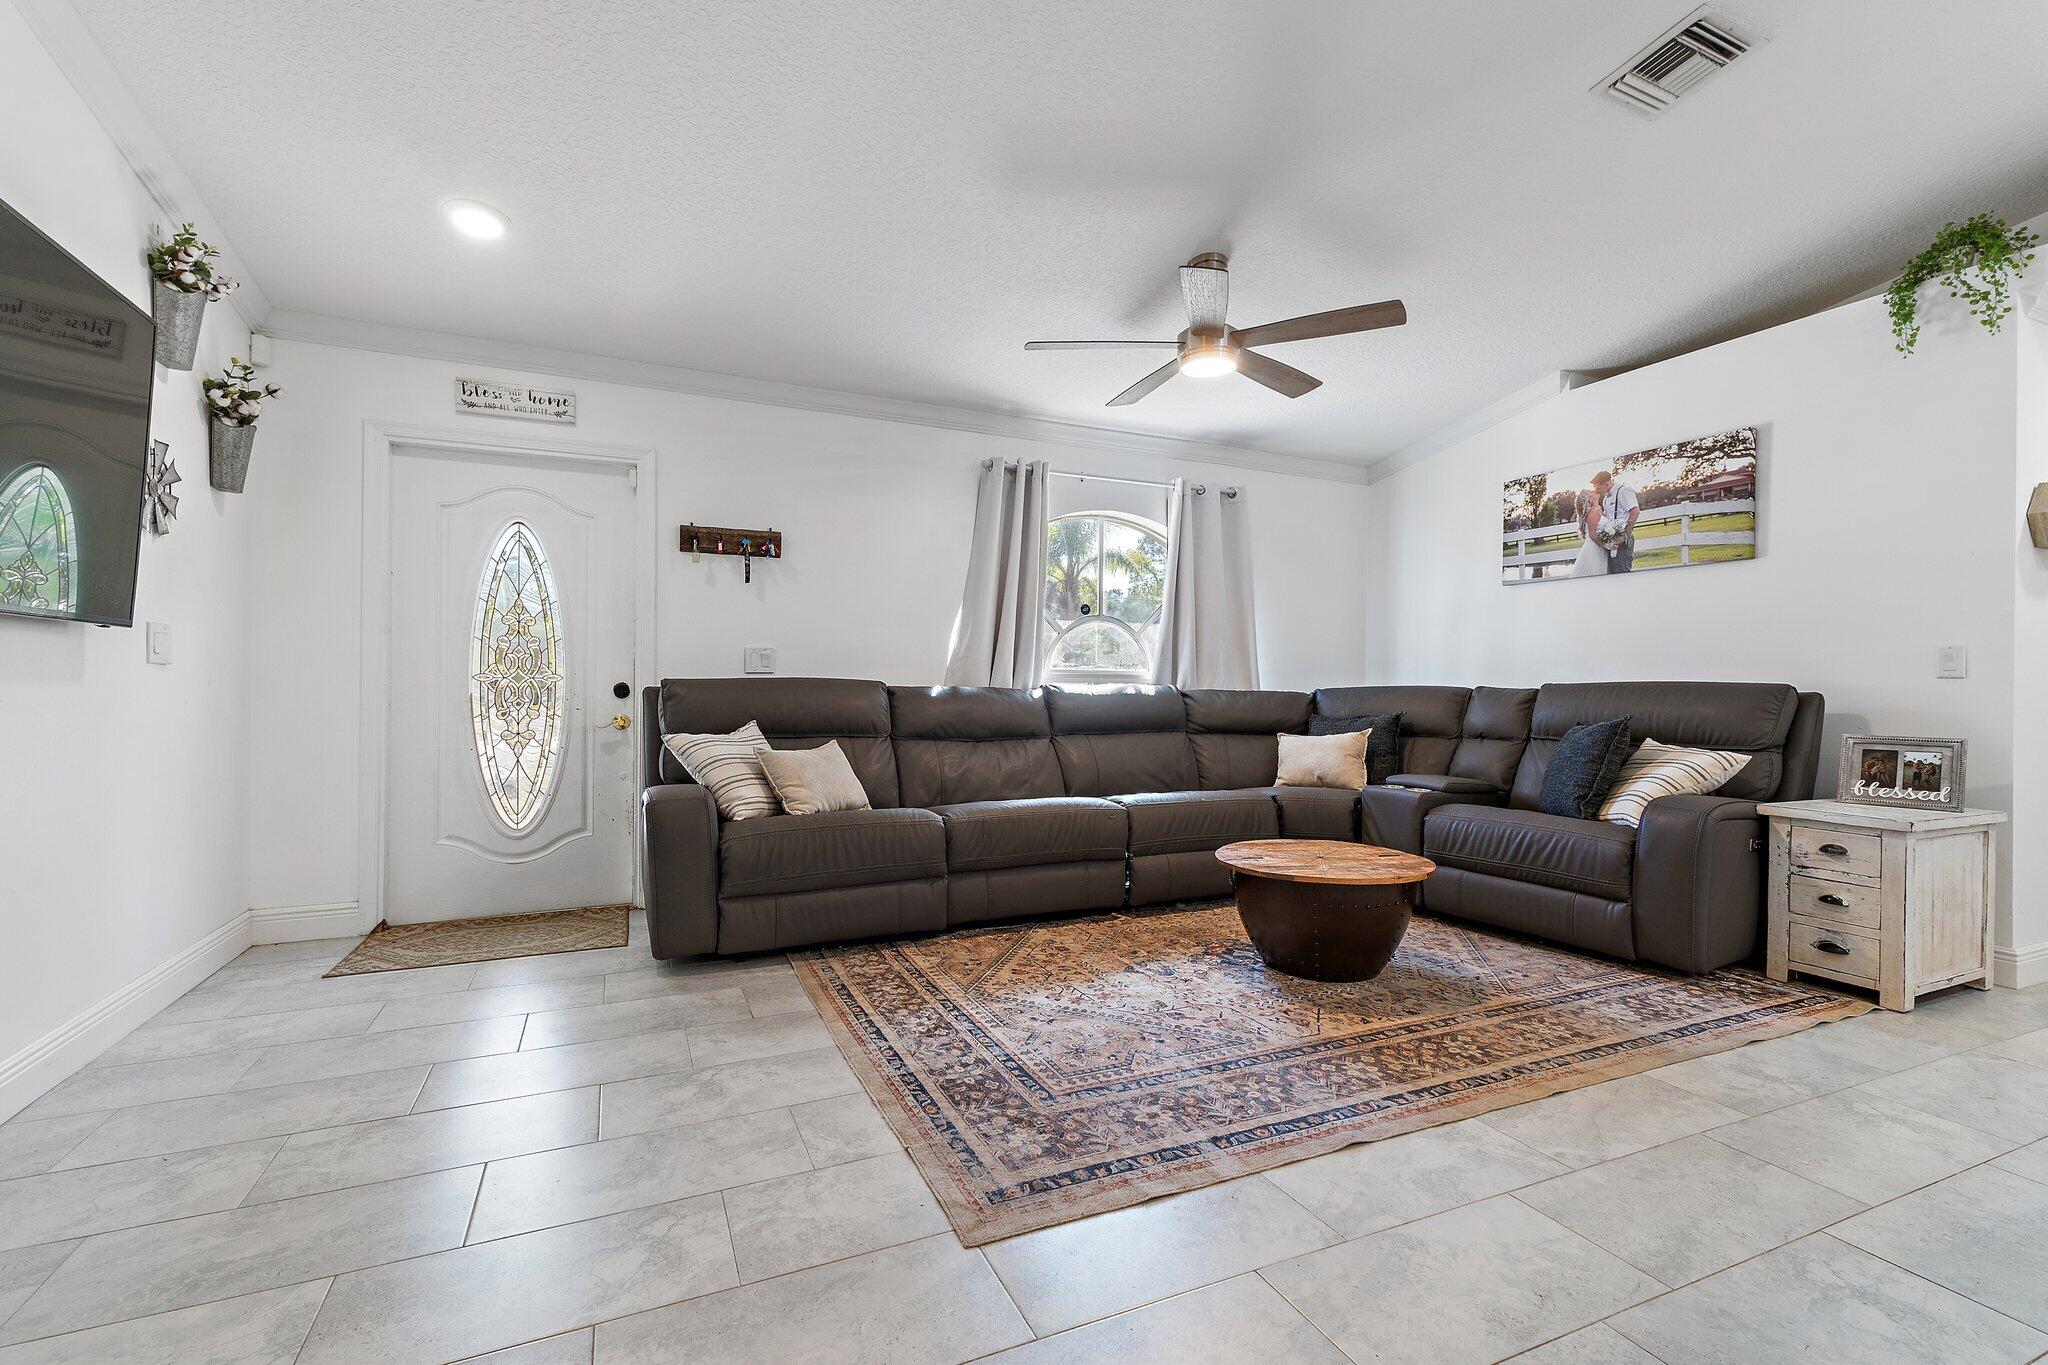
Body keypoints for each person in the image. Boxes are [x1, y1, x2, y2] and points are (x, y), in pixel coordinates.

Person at [1593, 470, 1640, 572]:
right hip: (1611, 539)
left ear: (1607, 484)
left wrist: (1625, 534)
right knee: (1612, 571)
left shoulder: (1623, 491)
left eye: (1598, 487)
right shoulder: (1606, 498)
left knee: (1622, 569)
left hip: (1623, 537)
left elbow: (1635, 511)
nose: (1596, 490)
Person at [1569, 488, 1608, 577]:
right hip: (1594, 548)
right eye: (1592, 492)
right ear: (1589, 498)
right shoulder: (1593, 512)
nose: (1595, 491)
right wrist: (1606, 546)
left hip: (1600, 546)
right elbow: (1592, 535)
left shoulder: (1599, 509)